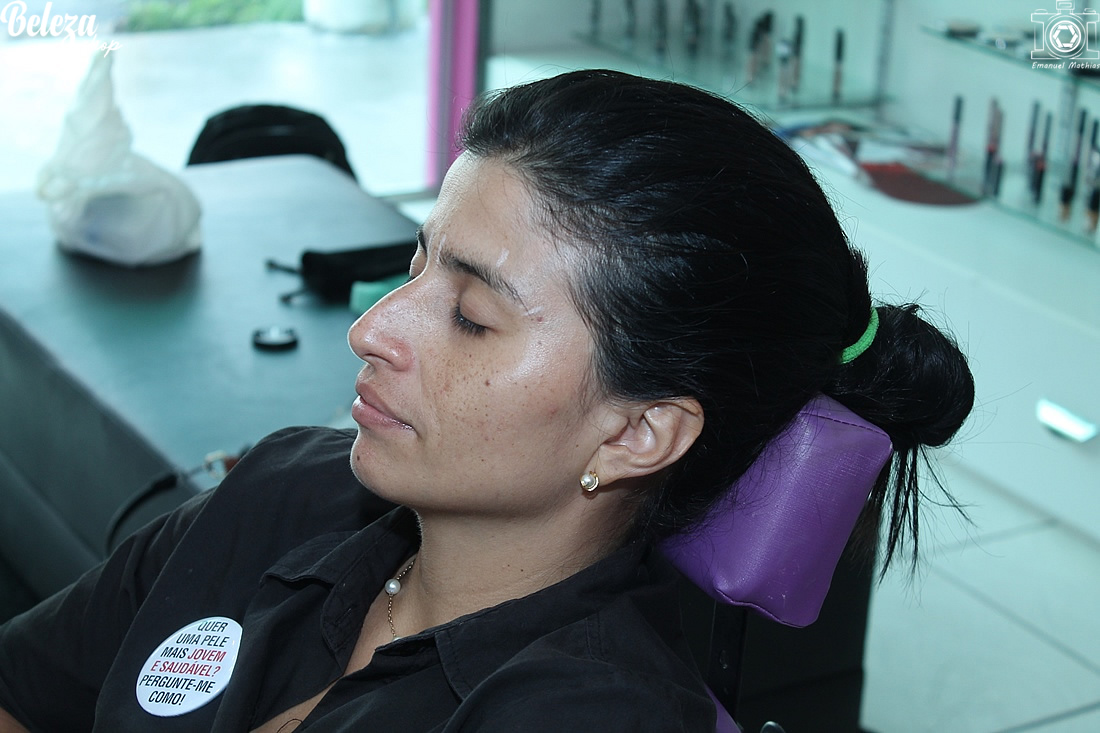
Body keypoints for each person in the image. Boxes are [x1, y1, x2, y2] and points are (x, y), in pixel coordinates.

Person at [0, 69, 974, 732]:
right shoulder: (281, 490)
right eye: (415, 263)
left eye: (469, 315)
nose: (372, 329)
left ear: (637, 431)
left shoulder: (588, 712)